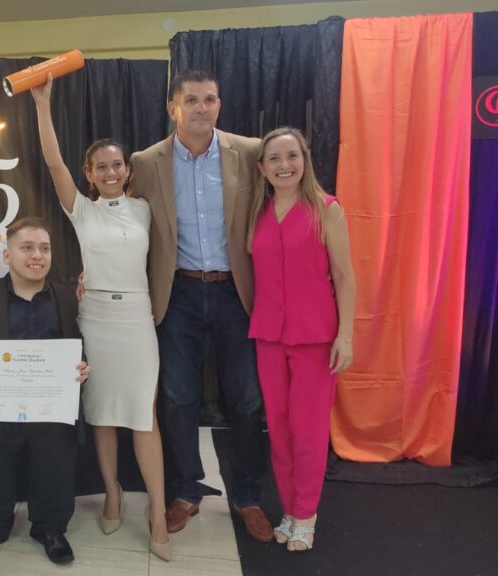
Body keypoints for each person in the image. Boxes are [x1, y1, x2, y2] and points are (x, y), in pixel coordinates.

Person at [30, 75, 172, 560]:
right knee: (102, 416)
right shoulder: (81, 210)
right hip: (94, 319)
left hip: (137, 320)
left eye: (117, 165)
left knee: (143, 415)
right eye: (100, 167)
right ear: (89, 174)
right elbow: (53, 161)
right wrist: (43, 105)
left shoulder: (145, 210)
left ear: (127, 171)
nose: (110, 172)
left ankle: (157, 512)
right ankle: (112, 492)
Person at [128, 69, 273, 542]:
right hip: (178, 292)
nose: (201, 108)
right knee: (176, 397)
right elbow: (125, 224)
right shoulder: (145, 162)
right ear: (173, 108)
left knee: (246, 399)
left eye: (209, 99)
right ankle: (186, 491)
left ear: (219, 105)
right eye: (191, 100)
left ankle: (247, 496)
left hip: (236, 291)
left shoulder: (250, 152)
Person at [0, 217, 90, 565]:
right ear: (7, 255)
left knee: (54, 461)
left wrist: (81, 367)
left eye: (44, 248)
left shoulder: (66, 298)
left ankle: (51, 528)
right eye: (26, 248)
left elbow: (76, 346)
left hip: (50, 405)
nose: (37, 256)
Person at [247, 127, 355, 552]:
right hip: (269, 336)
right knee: (279, 430)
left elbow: (344, 276)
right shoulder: (257, 212)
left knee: (308, 431)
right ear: (262, 168)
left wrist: (346, 334)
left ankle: (306, 514)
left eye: (292, 156)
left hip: (315, 337)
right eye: (274, 158)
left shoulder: (326, 210)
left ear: (305, 160)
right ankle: (290, 510)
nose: (284, 165)